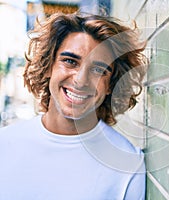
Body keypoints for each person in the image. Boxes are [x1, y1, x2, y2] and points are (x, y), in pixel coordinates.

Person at [0, 11, 148, 200]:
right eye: (70, 61)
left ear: (111, 84)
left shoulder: (128, 164)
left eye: (98, 69)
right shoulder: (3, 145)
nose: (80, 80)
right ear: (48, 66)